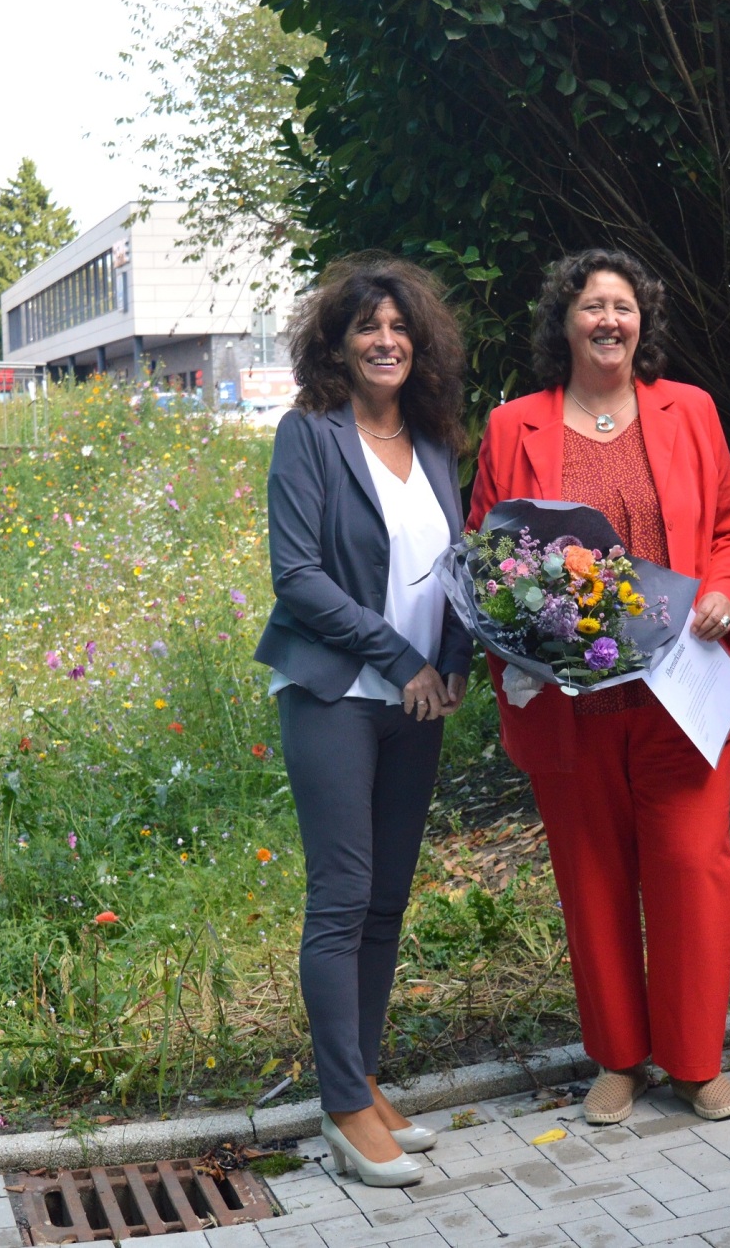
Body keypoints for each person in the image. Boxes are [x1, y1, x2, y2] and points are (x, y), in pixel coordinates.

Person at [466, 249, 730, 1125]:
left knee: (691, 871)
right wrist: (513, 646)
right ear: (565, 321)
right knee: (591, 879)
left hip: (679, 693)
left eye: (623, 306)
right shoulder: (515, 426)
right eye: (592, 306)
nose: (609, 321)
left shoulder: (690, 410)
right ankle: (620, 1058)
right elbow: (484, 555)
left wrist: (721, 594)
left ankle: (698, 1061)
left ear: (643, 321)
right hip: (571, 705)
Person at [253, 253, 473, 1186]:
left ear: (417, 344)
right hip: (337, 692)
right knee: (342, 900)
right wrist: (401, 657)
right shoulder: (308, 435)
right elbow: (296, 577)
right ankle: (341, 1108)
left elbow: (461, 564)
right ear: (337, 345)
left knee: (386, 900)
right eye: (366, 327)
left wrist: (454, 661)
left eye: (398, 327)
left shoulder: (433, 442)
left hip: (419, 701)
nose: (385, 340)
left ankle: (365, 1078)